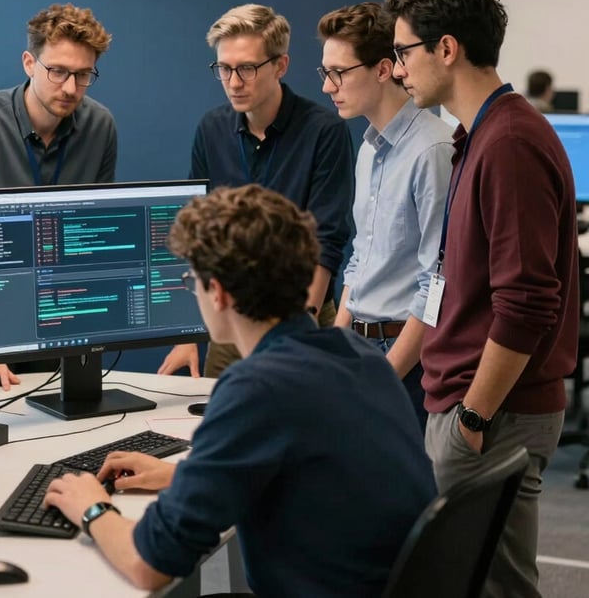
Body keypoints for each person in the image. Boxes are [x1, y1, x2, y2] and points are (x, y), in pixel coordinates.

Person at [44, 184, 436, 597]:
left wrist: (91, 506)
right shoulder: (357, 354)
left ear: (218, 292)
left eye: (190, 279)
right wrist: (183, 476)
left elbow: (150, 565)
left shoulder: (257, 388)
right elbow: (311, 470)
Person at [385, 0, 579, 598]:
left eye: (403, 53)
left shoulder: (510, 143)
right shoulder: (481, 135)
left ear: (446, 48)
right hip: (474, 406)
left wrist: (472, 417)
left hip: (491, 412)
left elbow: (525, 304)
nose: (396, 69)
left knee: (498, 588)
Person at [158, 3, 354, 378]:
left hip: (303, 315)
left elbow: (327, 240)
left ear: (280, 66)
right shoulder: (212, 129)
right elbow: (198, 239)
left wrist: (299, 331)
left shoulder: (323, 131)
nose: (234, 82)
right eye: (224, 69)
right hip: (231, 316)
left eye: (246, 68)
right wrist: (187, 332)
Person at [0, 3, 117, 391]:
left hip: (66, 317)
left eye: (83, 75)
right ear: (29, 63)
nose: (70, 88)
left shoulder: (100, 125)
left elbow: (99, 234)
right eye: (57, 71)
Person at [318, 2, 453, 429]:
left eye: (338, 72)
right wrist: (337, 345)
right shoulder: (368, 148)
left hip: (403, 359)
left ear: (382, 69)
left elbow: (436, 284)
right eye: (325, 73)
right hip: (359, 349)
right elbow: (361, 258)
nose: (327, 87)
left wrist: (386, 375)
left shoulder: (433, 150)